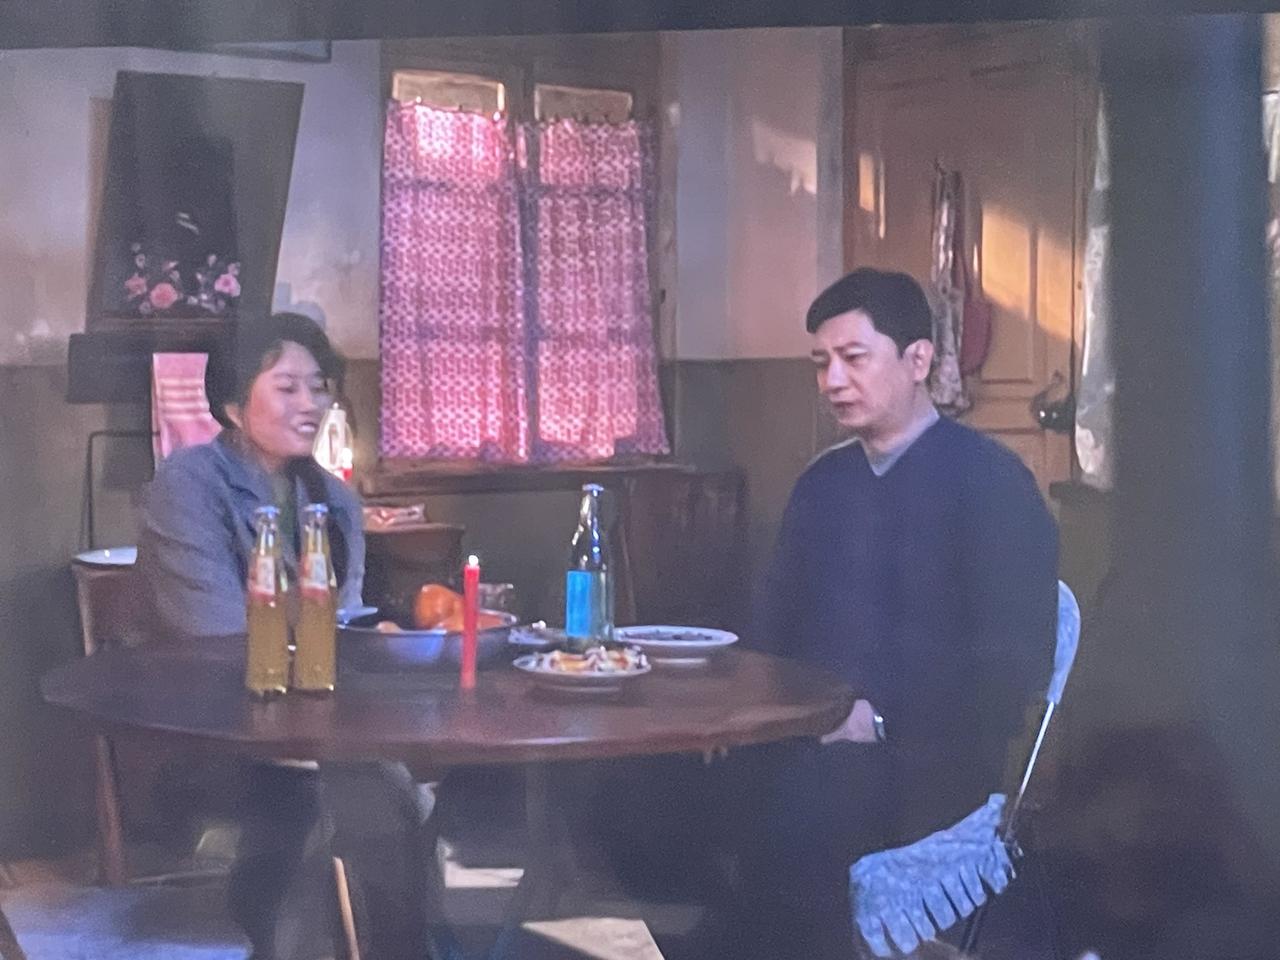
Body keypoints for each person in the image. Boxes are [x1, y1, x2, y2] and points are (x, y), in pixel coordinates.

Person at [732, 268, 1058, 959]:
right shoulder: (823, 484)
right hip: (813, 734)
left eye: (853, 358)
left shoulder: (992, 484)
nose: (833, 381)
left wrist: (879, 720)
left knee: (797, 813)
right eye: (821, 362)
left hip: (933, 755)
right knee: (672, 791)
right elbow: (772, 628)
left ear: (918, 360)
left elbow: (1012, 662)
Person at [137, 312, 448, 960]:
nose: (310, 403)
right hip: (216, 732)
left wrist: (376, 643)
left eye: (319, 386)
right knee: (332, 807)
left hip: (324, 730)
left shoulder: (335, 501)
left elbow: (344, 626)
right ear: (232, 404)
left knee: (391, 801)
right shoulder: (189, 485)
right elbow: (215, 638)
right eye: (286, 387)